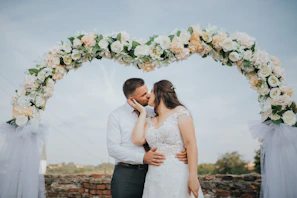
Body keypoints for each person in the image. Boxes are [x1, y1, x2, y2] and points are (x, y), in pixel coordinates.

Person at [107, 78, 188, 198]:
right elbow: (113, 149)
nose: (149, 96)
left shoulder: (154, 112)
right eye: (144, 94)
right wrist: (143, 158)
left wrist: (184, 149)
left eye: (148, 91)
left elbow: (172, 129)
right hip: (127, 175)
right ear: (131, 99)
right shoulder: (116, 116)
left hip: (154, 172)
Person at [129, 79, 204, 198]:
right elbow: (137, 139)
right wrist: (142, 112)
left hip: (178, 173)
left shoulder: (180, 112)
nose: (148, 95)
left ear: (160, 93)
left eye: (152, 91)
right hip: (154, 177)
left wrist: (193, 177)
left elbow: (191, 144)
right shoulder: (150, 120)